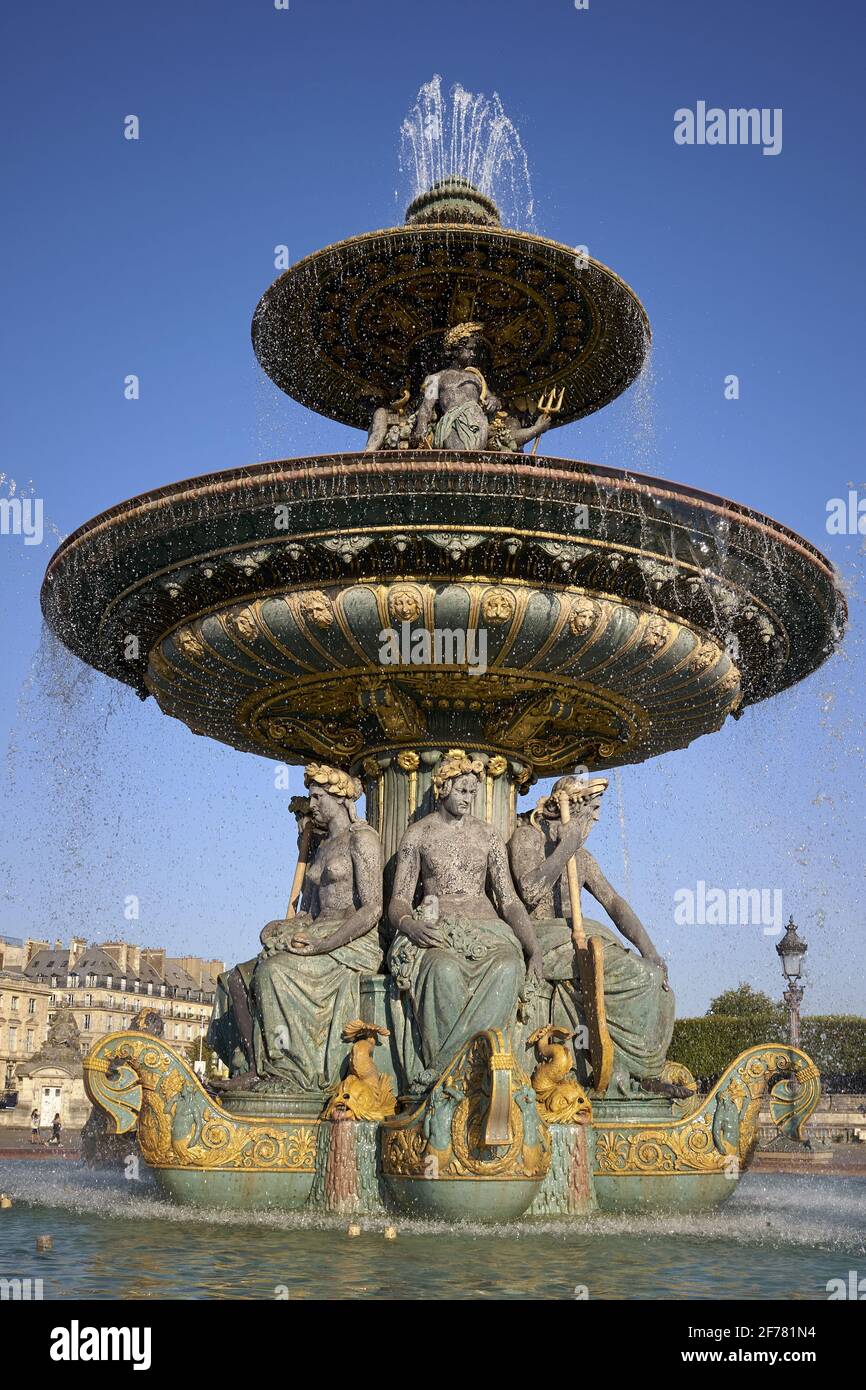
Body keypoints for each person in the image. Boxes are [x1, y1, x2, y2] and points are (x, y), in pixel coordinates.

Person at [508, 775, 690, 1099]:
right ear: (567, 809)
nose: (595, 818)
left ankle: (642, 1073)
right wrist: (565, 849)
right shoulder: (527, 839)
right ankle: (627, 1073)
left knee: (657, 984)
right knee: (635, 975)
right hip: (543, 938)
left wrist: (650, 950)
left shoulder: (583, 858)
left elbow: (614, 903)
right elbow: (530, 892)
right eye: (591, 811)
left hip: (578, 938)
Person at [210, 762, 383, 1093]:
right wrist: (284, 927)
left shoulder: (362, 841)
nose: (313, 805)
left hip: (351, 939)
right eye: (312, 798)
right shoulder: (323, 847)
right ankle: (253, 1064)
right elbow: (312, 910)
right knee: (237, 977)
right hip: (319, 931)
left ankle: (283, 1069)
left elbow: (373, 907)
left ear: (341, 797)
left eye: (318, 797)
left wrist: (325, 944)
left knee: (274, 973)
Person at [388, 749, 543, 1083]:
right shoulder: (418, 834)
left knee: (508, 966)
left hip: (488, 929)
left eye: (473, 792)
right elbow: (399, 900)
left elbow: (509, 900)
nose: (468, 798)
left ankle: (474, 1065)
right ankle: (450, 1069)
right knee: (441, 970)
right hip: (437, 928)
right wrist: (409, 925)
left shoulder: (488, 836)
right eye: (462, 790)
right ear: (443, 788)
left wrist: (533, 947)